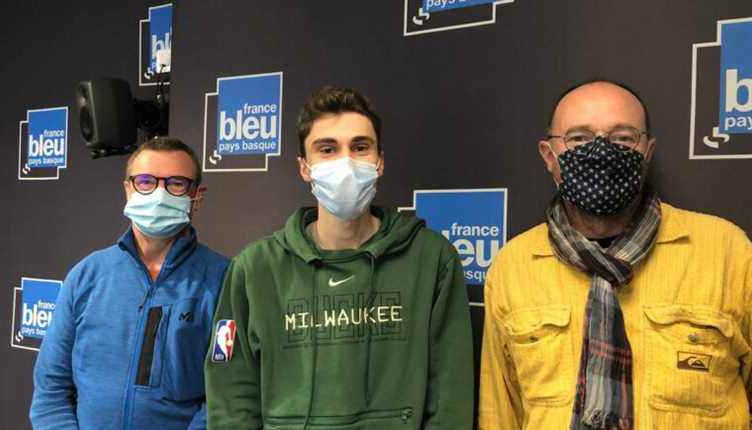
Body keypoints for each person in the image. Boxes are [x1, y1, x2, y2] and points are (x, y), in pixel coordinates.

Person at [478, 79, 752, 429]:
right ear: (549, 156)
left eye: (623, 138)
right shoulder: (513, 266)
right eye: (579, 138)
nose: (602, 152)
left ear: (647, 152)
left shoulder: (726, 252)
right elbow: (500, 413)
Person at [205, 87, 474, 429]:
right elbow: (230, 396)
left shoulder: (431, 259)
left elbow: (451, 399)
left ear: (379, 162)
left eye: (360, 147)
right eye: (327, 149)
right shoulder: (256, 268)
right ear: (304, 167)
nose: (345, 162)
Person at [30, 137, 230, 429]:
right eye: (146, 181)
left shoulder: (223, 279)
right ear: (128, 189)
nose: (159, 194)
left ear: (197, 195)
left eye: (176, 183)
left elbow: (223, 396)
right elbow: (51, 388)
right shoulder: (87, 276)